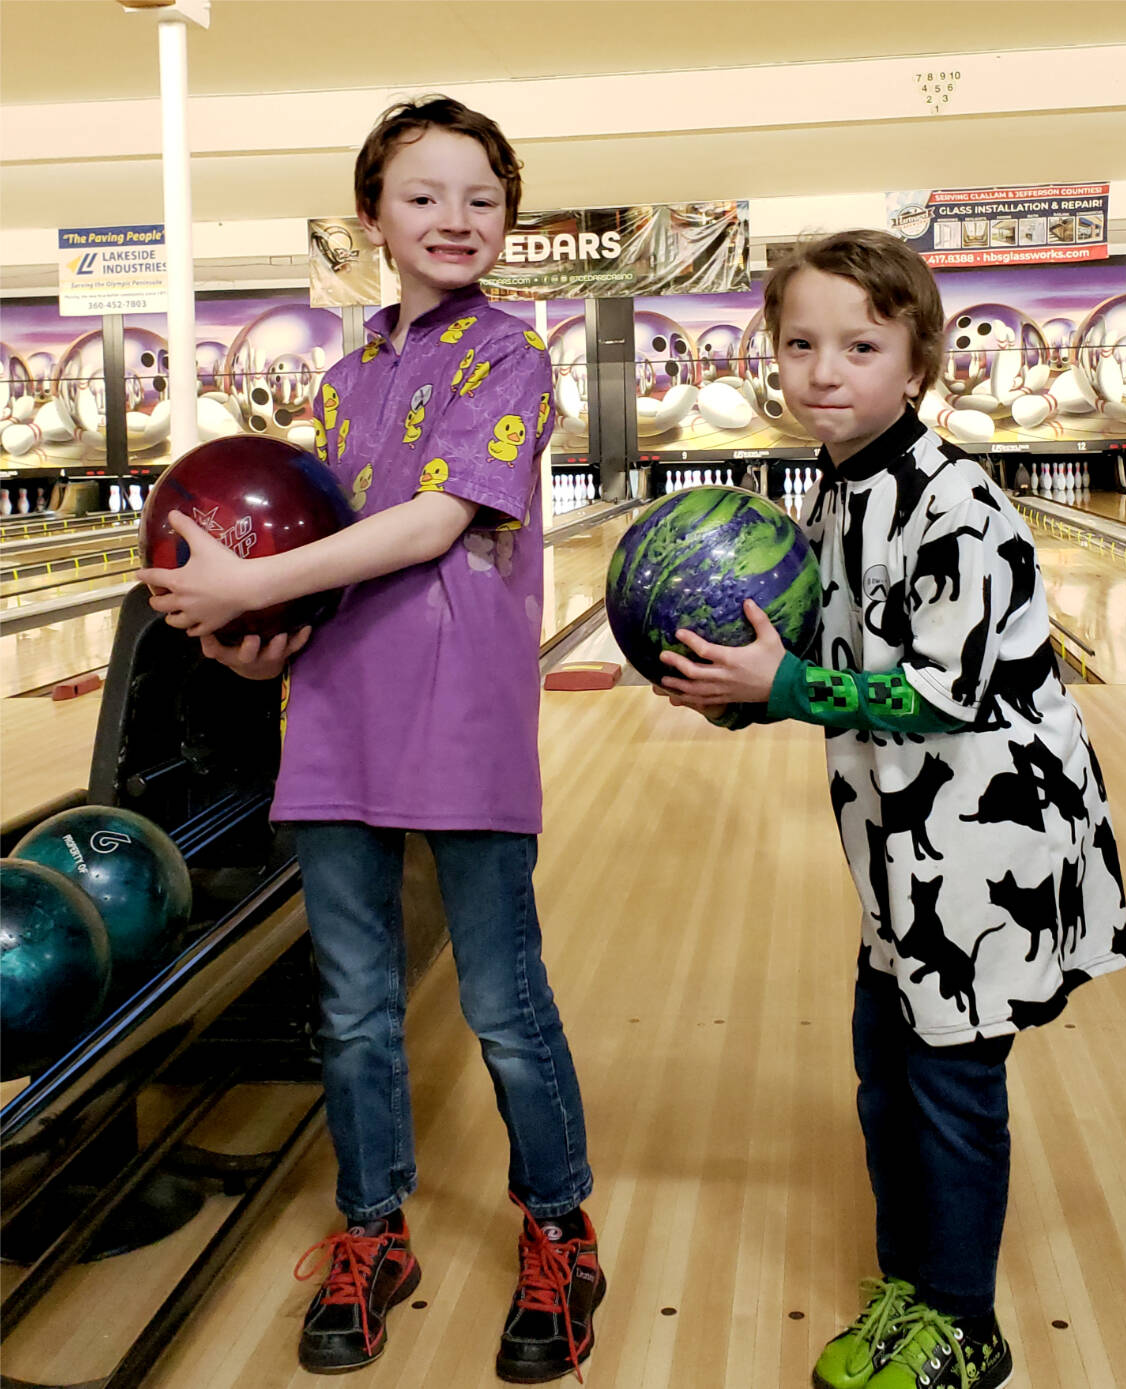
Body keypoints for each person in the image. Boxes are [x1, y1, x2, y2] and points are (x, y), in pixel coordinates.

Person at [139, 96, 603, 1383]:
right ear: (371, 219)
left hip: (460, 717)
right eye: (423, 196)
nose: (455, 220)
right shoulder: (343, 384)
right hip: (332, 716)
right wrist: (257, 631)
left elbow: (429, 526)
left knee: (504, 1009)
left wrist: (241, 587)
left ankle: (558, 1229)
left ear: (508, 220)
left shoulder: (508, 356)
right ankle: (370, 1229)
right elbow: (314, 567)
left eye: (481, 199)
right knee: (349, 1011)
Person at [655, 229, 1126, 1389]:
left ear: (915, 365)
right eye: (800, 343)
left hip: (985, 848)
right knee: (886, 1075)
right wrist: (744, 696)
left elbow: (938, 690)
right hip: (898, 857)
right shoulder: (832, 495)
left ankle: (963, 1324)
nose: (824, 370)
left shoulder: (952, 503)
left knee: (953, 1090)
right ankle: (909, 1292)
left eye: (859, 346)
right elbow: (825, 657)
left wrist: (785, 688)